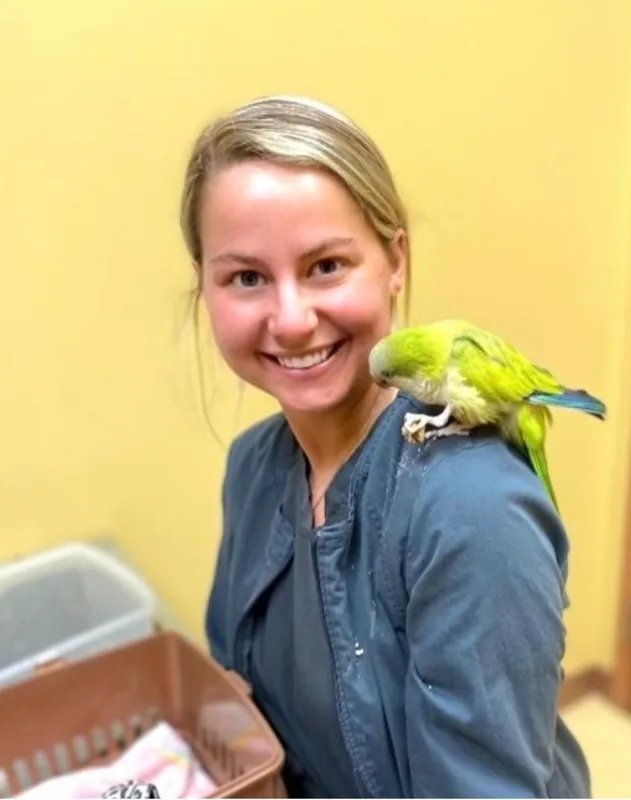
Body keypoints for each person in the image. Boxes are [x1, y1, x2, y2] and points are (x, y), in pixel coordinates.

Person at [181, 94, 592, 798]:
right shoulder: (251, 470)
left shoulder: (470, 514)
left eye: (326, 266)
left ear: (394, 260)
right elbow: (249, 714)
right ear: (206, 288)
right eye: (246, 277)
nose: (291, 318)